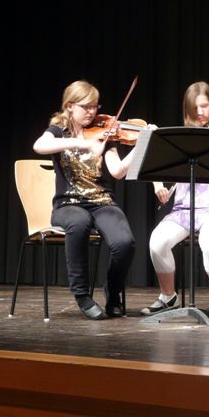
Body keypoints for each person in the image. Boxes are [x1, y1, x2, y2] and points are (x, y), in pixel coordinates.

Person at [33, 80, 140, 320]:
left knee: (124, 243)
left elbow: (118, 171)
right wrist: (83, 143)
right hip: (68, 204)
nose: (92, 112)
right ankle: (82, 295)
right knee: (78, 223)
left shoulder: (105, 132)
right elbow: (39, 146)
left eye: (95, 106)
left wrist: (141, 146)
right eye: (86, 107)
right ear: (70, 106)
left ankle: (113, 292)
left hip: (101, 201)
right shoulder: (58, 130)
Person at [141, 81, 209, 318]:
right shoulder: (179, 140)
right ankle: (168, 296)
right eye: (194, 108)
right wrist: (159, 186)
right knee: (157, 242)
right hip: (183, 210)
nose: (200, 112)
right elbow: (156, 163)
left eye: (204, 106)